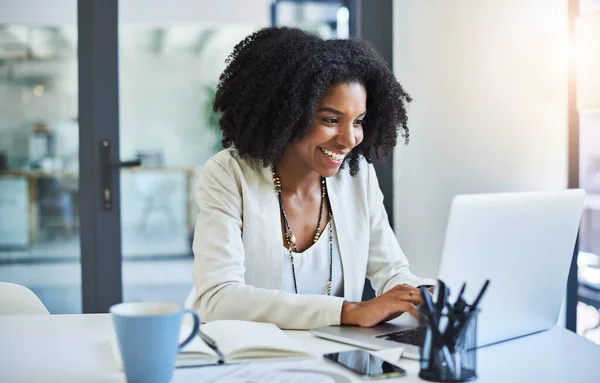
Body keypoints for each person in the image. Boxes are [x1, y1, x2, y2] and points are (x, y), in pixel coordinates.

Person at [187, 27, 435, 330]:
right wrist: (349, 311)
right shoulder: (229, 174)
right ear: (287, 114)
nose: (349, 139)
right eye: (331, 120)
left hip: (334, 361)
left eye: (358, 122)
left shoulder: (357, 178)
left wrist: (423, 294)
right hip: (249, 360)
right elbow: (216, 298)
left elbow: (392, 271)